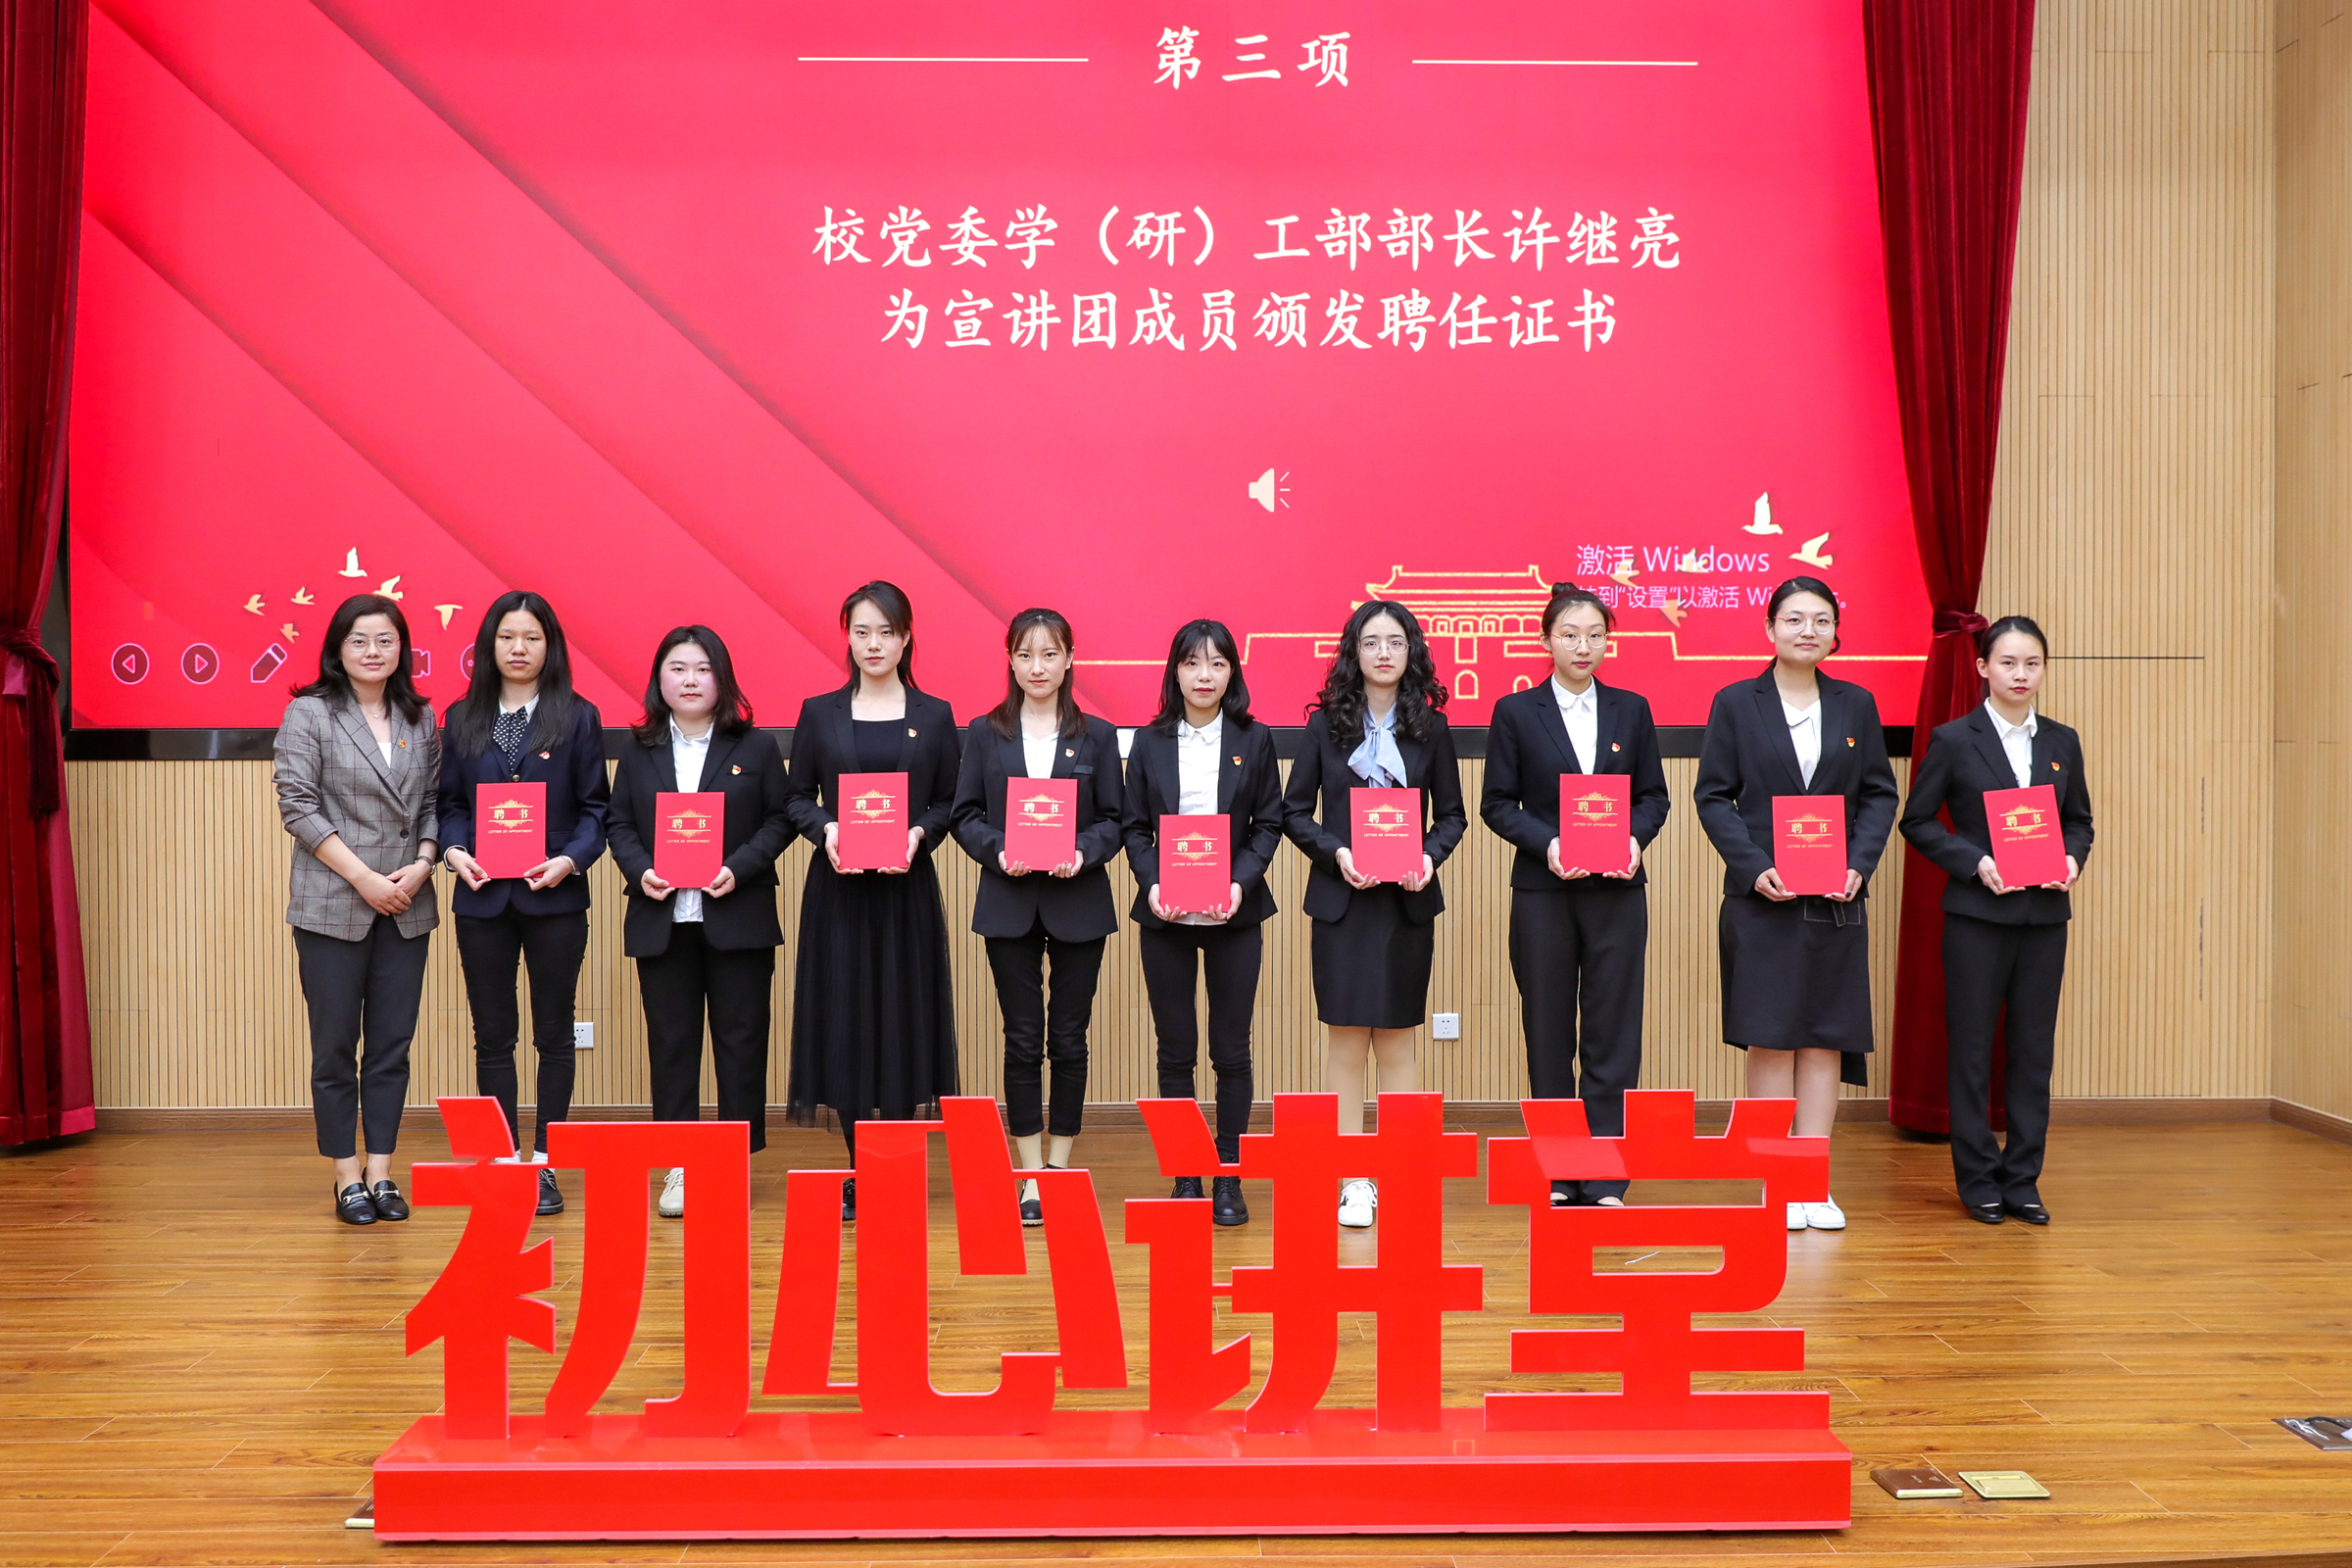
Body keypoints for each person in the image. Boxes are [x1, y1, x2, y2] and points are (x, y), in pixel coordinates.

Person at [1692, 575, 1898, 1232]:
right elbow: (1713, 796)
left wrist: (1859, 864)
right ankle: (1777, 1182)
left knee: (1824, 1040)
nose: (1808, 630)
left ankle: (1813, 1179)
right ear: (1770, 629)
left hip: (1835, 898)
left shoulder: (1856, 705)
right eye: (1794, 619)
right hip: (1764, 900)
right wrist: (1754, 867)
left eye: (1821, 620)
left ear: (1835, 632)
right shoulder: (1736, 702)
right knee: (1772, 1039)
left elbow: (1879, 794)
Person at [1479, 583, 1670, 1208]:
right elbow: (1497, 804)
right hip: (1545, 891)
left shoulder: (1632, 709)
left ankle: (1606, 1175)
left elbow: (1654, 796)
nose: (1583, 646)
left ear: (1608, 641)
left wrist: (1635, 839)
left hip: (1618, 892)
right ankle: (1561, 1172)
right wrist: (1551, 844)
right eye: (1569, 634)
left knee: (1614, 1033)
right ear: (1546, 641)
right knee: (1548, 1030)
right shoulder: (1516, 712)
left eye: (1595, 635)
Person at [1898, 615, 2092, 1226]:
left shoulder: (2062, 741)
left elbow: (2080, 821)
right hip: (1977, 917)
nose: (2020, 674)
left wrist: (2072, 859)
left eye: (2032, 663)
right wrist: (1974, 861)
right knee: (1972, 1051)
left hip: (2043, 919)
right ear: (1983, 667)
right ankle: (1978, 1178)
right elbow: (1917, 821)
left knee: (2034, 1052)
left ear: (2044, 670)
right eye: (2007, 662)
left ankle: (2023, 1180)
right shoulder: (1955, 739)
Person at [1281, 600, 1467, 1229]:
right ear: (1352, 652)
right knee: (1344, 1041)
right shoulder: (1324, 725)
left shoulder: (1431, 728)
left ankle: (1400, 1169)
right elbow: (1294, 812)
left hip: (1405, 903)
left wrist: (1429, 856)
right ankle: (1353, 1178)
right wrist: (1337, 854)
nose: (1383, 653)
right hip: (1343, 903)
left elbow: (1452, 815)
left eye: (1395, 642)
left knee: (1397, 1038)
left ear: (1411, 651)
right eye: (1370, 642)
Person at [783, 581, 962, 1223]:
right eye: (862, 632)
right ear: (848, 638)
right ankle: (861, 1170)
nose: (874, 644)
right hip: (839, 890)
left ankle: (897, 1166)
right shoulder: (819, 712)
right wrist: (827, 828)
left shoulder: (935, 714)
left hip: (905, 890)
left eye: (886, 632)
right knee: (847, 1022)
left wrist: (918, 834)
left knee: (904, 1019)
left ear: (906, 637)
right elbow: (796, 796)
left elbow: (950, 800)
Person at [606, 625, 793, 1220]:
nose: (690, 680)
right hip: (664, 918)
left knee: (742, 1043)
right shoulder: (638, 749)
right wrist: (640, 870)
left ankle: (733, 1163)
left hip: (737, 914)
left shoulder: (755, 747)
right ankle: (680, 1164)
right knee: (672, 1046)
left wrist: (739, 867)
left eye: (703, 669)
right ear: (659, 679)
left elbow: (779, 819)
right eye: (678, 668)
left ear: (722, 679)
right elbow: (618, 824)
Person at [437, 590, 610, 1215]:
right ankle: (504, 1160)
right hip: (482, 898)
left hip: (554, 899)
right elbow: (450, 805)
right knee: (492, 1036)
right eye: (507, 637)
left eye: (531, 637)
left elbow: (596, 809)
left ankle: (544, 1162)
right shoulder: (461, 717)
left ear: (549, 646)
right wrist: (454, 852)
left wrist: (570, 860)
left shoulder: (579, 717)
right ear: (489, 645)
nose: (518, 648)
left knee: (554, 1034)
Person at [951, 608, 1123, 1226]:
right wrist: (999, 851)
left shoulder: (1098, 735)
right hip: (1010, 902)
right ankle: (1027, 1177)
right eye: (1025, 655)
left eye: (1050, 654)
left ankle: (1059, 1166)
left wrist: (1083, 852)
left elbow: (1116, 820)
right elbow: (964, 815)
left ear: (1069, 659)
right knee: (1022, 1039)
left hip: (1079, 903)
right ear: (1010, 660)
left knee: (1069, 1038)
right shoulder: (985, 732)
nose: (1038, 667)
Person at [272, 594, 440, 1226]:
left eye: (386, 640)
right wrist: (365, 878)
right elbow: (297, 805)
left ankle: (381, 1171)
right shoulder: (310, 712)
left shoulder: (420, 716)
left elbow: (432, 804)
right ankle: (346, 1174)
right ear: (337, 649)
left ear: (402, 649)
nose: (374, 651)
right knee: (335, 1046)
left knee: (392, 1046)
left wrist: (424, 862)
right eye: (360, 640)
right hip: (334, 901)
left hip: (407, 900)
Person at [1121, 619, 1284, 1226]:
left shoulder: (1255, 738)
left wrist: (1239, 883)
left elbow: (1268, 824)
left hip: (1234, 914)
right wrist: (1153, 883)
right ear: (1176, 672)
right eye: (1192, 663)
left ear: (1232, 672)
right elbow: (1135, 827)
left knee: (1231, 1050)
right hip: (1166, 913)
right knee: (1175, 1050)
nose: (1204, 675)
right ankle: (1186, 1172)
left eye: (1217, 663)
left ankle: (1229, 1175)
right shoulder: (1149, 741)